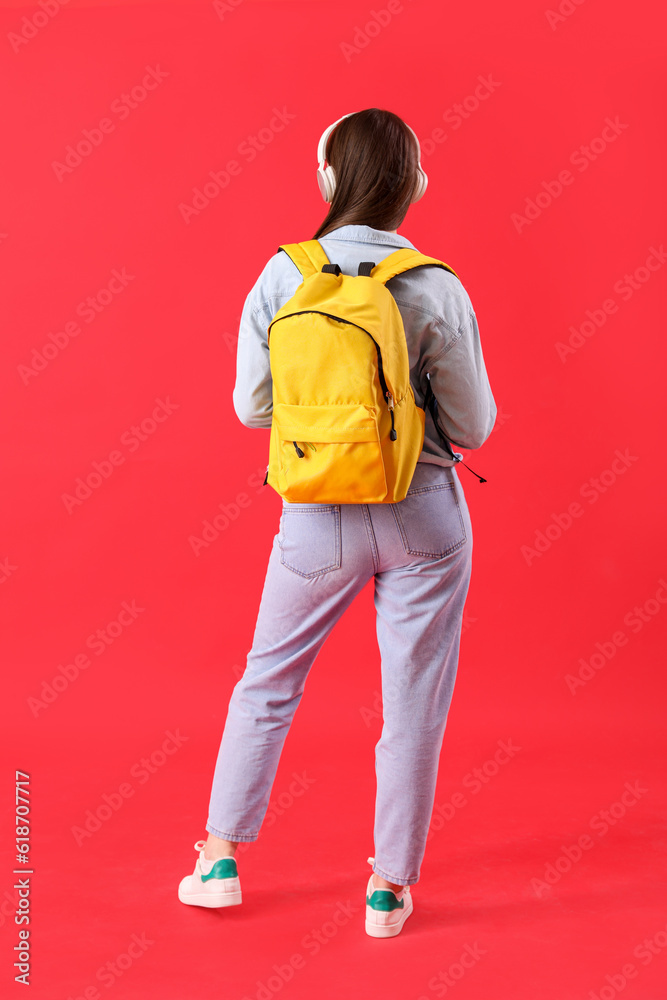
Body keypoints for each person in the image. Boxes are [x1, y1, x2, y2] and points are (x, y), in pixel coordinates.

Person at [178, 108, 497, 938]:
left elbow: (253, 407)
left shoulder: (282, 277)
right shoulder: (437, 285)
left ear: (326, 181)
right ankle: (387, 893)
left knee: (267, 681)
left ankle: (217, 861)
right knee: (412, 705)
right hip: (422, 515)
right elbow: (475, 425)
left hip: (316, 516)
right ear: (415, 186)